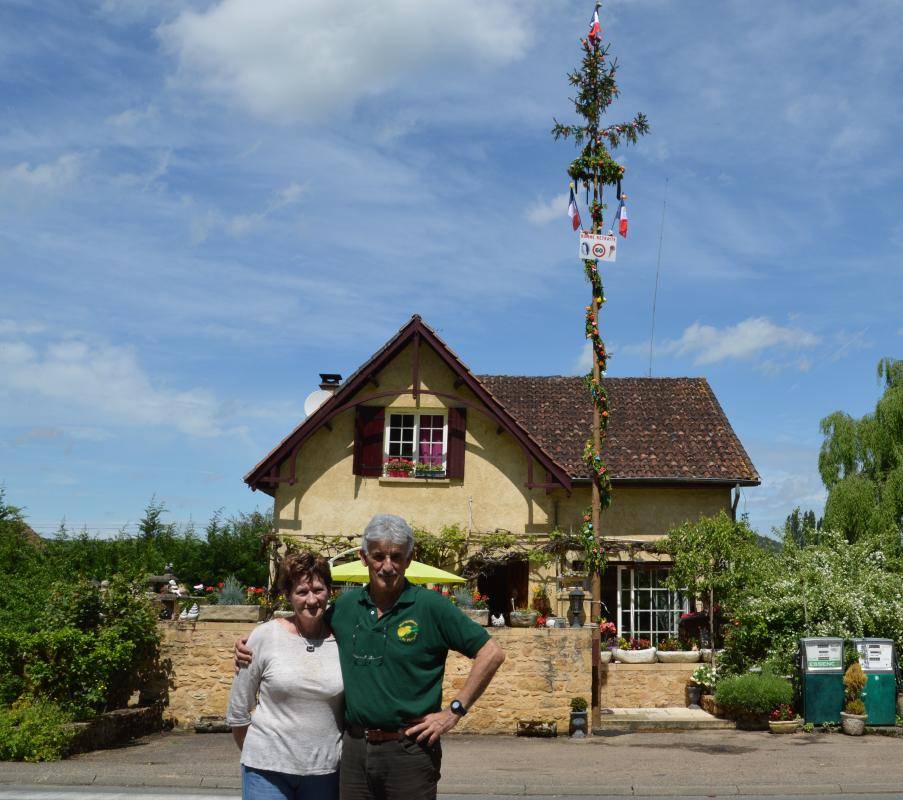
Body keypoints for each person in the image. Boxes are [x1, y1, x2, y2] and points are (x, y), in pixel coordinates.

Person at [236, 513, 505, 800]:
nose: (387, 566)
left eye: (396, 557)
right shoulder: (346, 607)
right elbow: (305, 623)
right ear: (364, 558)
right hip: (353, 751)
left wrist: (454, 711)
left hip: (410, 749)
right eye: (378, 556)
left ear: (408, 559)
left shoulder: (431, 606)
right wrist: (255, 642)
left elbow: (491, 653)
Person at [227, 551, 343, 800]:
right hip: (267, 771)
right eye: (302, 592)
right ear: (288, 595)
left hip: (325, 771)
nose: (311, 600)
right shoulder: (265, 637)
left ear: (329, 592)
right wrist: (262, 756)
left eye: (318, 590)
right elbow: (238, 710)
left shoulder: (343, 640)